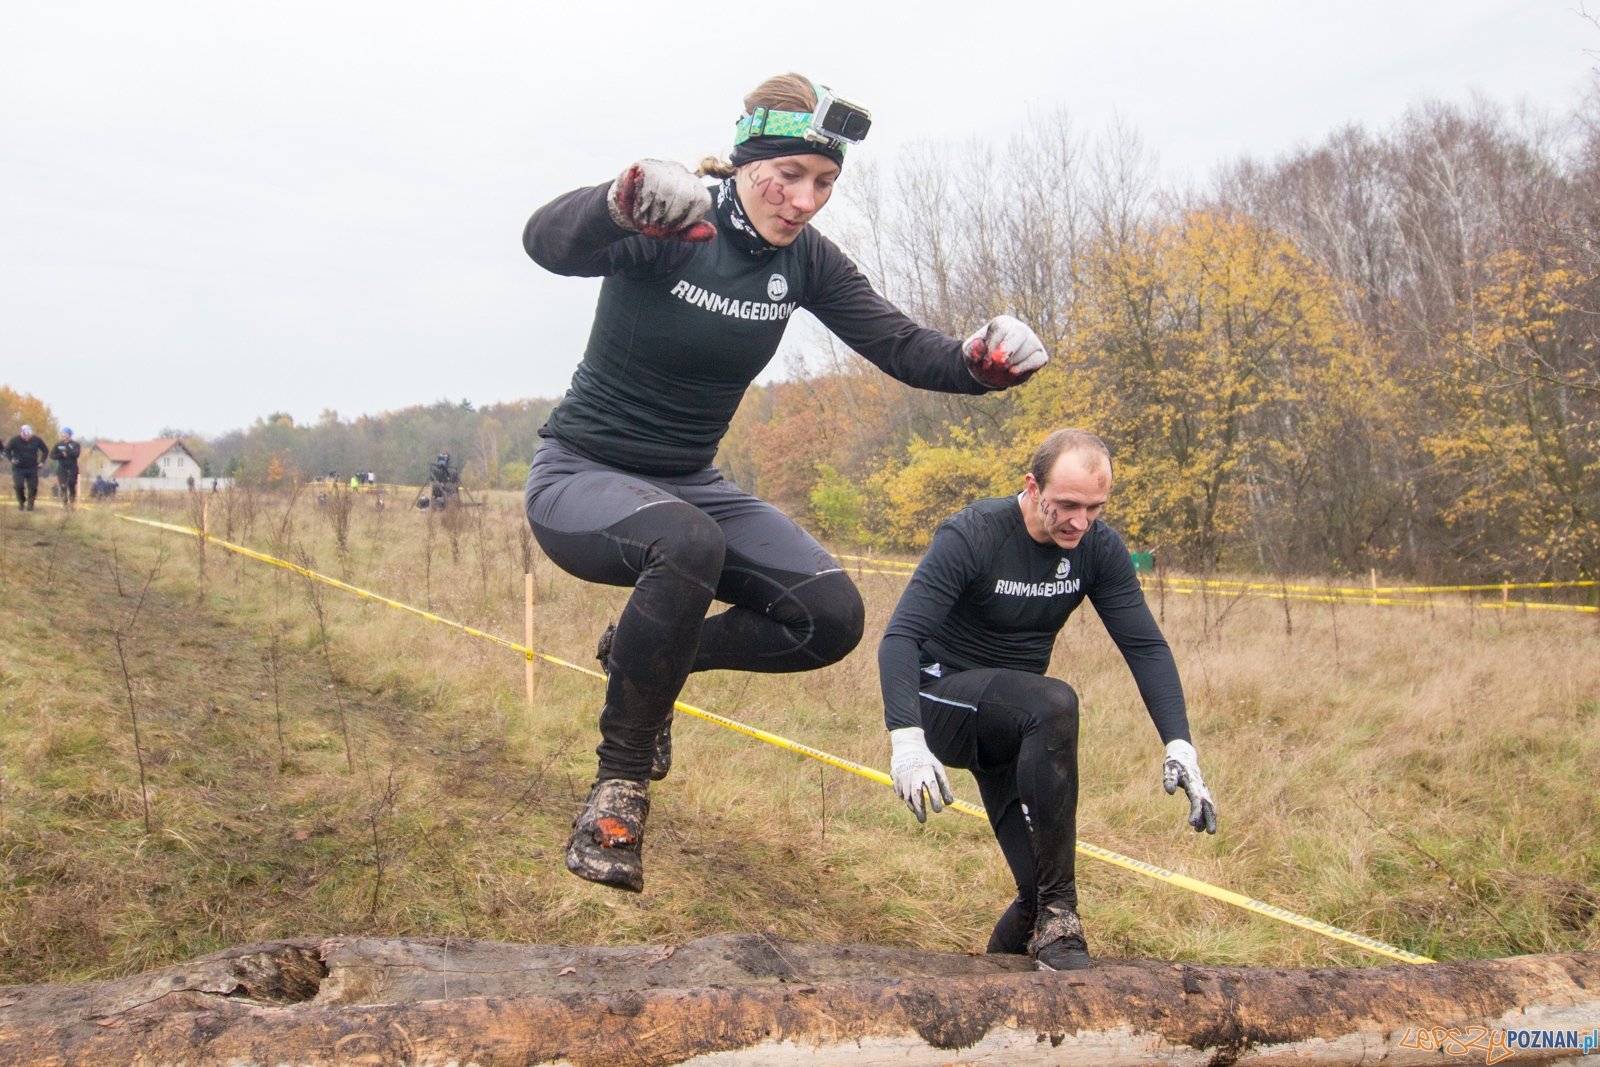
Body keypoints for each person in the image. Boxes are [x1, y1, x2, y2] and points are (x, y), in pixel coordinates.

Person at [522, 73, 1049, 893]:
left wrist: (983, 363)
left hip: (688, 485)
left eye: (825, 184)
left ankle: (644, 656)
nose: (805, 200)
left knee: (831, 616)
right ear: (744, 164)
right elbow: (544, 244)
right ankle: (618, 787)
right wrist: (616, 203)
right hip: (583, 475)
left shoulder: (804, 263)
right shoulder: (677, 221)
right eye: (789, 177)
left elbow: (908, 347)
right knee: (688, 539)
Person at [878, 429, 1218, 972]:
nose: (1079, 522)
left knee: (1032, 889)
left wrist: (1182, 744)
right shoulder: (975, 533)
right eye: (1066, 506)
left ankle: (1000, 979)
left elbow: (1146, 647)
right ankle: (1064, 918)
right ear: (1032, 487)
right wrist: (906, 741)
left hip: (1014, 719)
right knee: (1055, 701)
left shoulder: (1096, 548)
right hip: (940, 700)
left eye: (1094, 508)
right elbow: (899, 637)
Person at [5, 425, 49, 511]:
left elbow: (45, 450)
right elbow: (7, 450)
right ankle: (21, 502)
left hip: (32, 467)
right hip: (18, 468)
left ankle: (30, 506)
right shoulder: (15, 440)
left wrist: (42, 462)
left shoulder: (36, 440)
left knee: (33, 487)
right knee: (18, 486)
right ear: (21, 434)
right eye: (24, 435)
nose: (26, 437)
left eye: (28, 435)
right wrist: (11, 459)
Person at [51, 428, 81, 505]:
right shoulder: (58, 444)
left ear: (69, 435)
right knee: (63, 486)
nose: (63, 435)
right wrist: (61, 455)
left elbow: (76, 454)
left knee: (71, 485)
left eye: (65, 433)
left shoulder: (75, 444)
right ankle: (64, 504)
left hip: (72, 468)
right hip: (62, 468)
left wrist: (67, 450)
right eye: (62, 433)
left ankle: (72, 501)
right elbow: (52, 455)